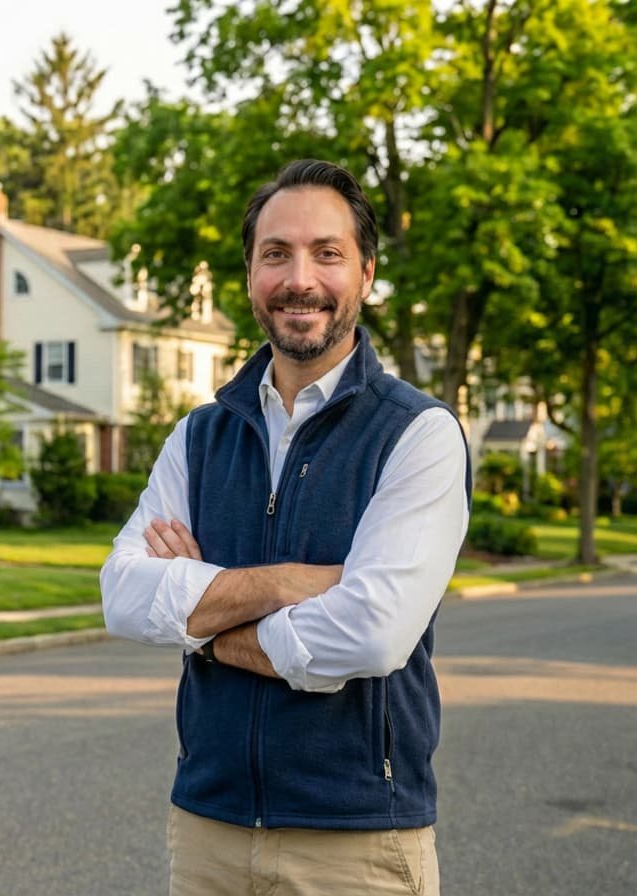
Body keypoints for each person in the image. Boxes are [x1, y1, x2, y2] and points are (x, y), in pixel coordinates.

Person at [100, 159, 470, 896]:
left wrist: (202, 624)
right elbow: (123, 597)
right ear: (249, 275)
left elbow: (371, 634)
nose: (300, 279)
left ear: (366, 273)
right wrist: (287, 585)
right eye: (276, 254)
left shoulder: (418, 434)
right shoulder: (200, 437)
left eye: (327, 253)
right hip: (207, 829)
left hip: (357, 842)